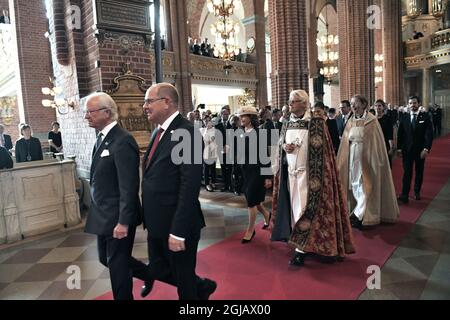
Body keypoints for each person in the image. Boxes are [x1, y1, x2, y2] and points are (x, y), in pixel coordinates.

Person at [139, 83, 216, 300]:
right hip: (157, 221)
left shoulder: (187, 132)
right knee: (158, 269)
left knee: (184, 283)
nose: (144, 106)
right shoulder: (158, 131)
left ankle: (196, 292)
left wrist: (178, 230)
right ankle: (201, 287)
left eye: (148, 101)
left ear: (167, 102)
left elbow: (189, 185)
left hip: (177, 223)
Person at [271, 89, 355, 266]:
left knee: (304, 210)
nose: (290, 104)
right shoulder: (286, 123)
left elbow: (324, 153)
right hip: (291, 176)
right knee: (294, 211)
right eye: (290, 101)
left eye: (293, 101)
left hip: (309, 177)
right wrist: (284, 147)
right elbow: (280, 144)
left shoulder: (316, 123)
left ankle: (301, 250)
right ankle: (299, 242)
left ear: (303, 103)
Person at [83, 92, 145, 300]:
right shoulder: (102, 138)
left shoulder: (123, 140)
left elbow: (129, 186)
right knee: (105, 258)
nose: (86, 117)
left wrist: (124, 222)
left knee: (118, 268)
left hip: (117, 216)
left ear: (106, 113)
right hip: (103, 215)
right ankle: (148, 274)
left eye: (90, 112)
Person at [336, 95, 399, 229]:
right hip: (353, 157)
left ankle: (363, 215)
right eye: (352, 104)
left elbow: (376, 143)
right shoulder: (351, 120)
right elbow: (345, 142)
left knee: (365, 186)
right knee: (354, 185)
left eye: (356, 103)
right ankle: (357, 212)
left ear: (364, 104)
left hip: (368, 159)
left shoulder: (371, 121)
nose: (353, 106)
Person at [237, 105, 272, 243]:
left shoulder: (259, 133)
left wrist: (268, 176)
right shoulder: (240, 132)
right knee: (254, 200)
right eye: (240, 116)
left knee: (251, 201)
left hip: (256, 172)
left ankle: (250, 231)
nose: (241, 119)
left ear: (251, 118)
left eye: (243, 116)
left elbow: (265, 156)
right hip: (245, 172)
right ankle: (267, 215)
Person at [397, 96, 433, 203]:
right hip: (407, 151)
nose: (413, 105)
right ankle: (404, 195)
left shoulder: (425, 116)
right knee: (407, 173)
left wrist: (426, 149)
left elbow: (429, 134)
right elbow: (400, 134)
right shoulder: (404, 117)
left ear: (419, 104)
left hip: (420, 151)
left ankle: (417, 191)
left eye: (414, 103)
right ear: (408, 105)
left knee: (419, 172)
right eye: (410, 103)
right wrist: (399, 148)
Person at [215, 106, 233, 192]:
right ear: (221, 115)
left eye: (227, 114)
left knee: (229, 167)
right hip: (221, 149)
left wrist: (228, 146)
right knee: (223, 167)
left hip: (229, 149)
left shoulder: (231, 125)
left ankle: (230, 185)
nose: (226, 116)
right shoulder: (217, 126)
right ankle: (225, 185)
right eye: (224, 114)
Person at [375, 100, 395, 168]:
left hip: (385, 144)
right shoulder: (372, 119)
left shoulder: (387, 118)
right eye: (376, 106)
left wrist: (391, 147)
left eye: (379, 106)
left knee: (386, 166)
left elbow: (390, 133)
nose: (378, 107)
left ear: (383, 107)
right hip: (374, 144)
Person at [201, 115, 218, 192]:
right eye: (206, 120)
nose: (207, 122)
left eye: (209, 120)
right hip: (205, 151)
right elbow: (204, 139)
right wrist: (206, 130)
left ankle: (213, 182)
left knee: (213, 167)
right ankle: (207, 184)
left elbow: (213, 139)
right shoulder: (201, 130)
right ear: (203, 121)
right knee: (206, 168)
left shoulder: (214, 129)